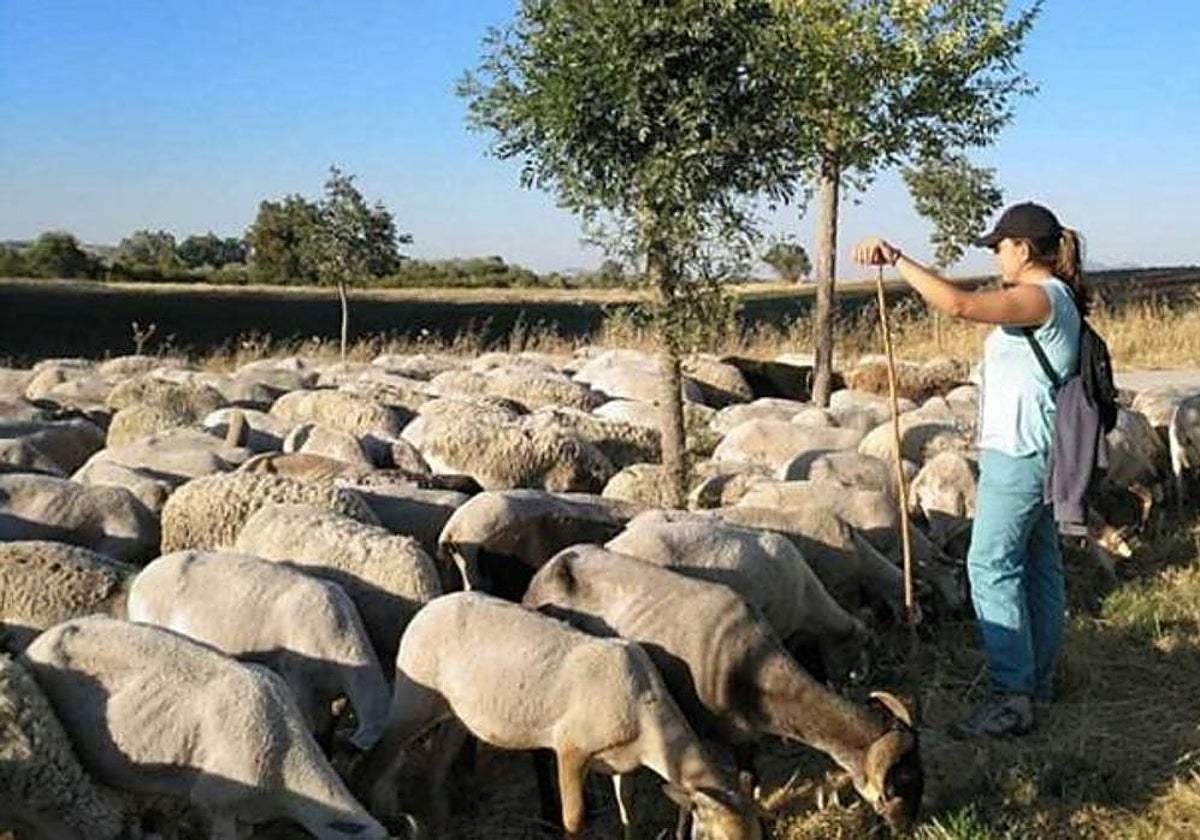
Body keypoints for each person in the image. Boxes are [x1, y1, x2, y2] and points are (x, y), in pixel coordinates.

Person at [852, 201, 1085, 738]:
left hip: (1020, 454)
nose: (997, 256)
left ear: (1023, 249)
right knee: (1039, 566)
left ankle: (1012, 698)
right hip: (1043, 450)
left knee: (989, 567)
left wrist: (897, 257)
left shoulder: (1038, 297)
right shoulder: (1058, 298)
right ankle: (1039, 684)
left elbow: (958, 305)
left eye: (999, 246)